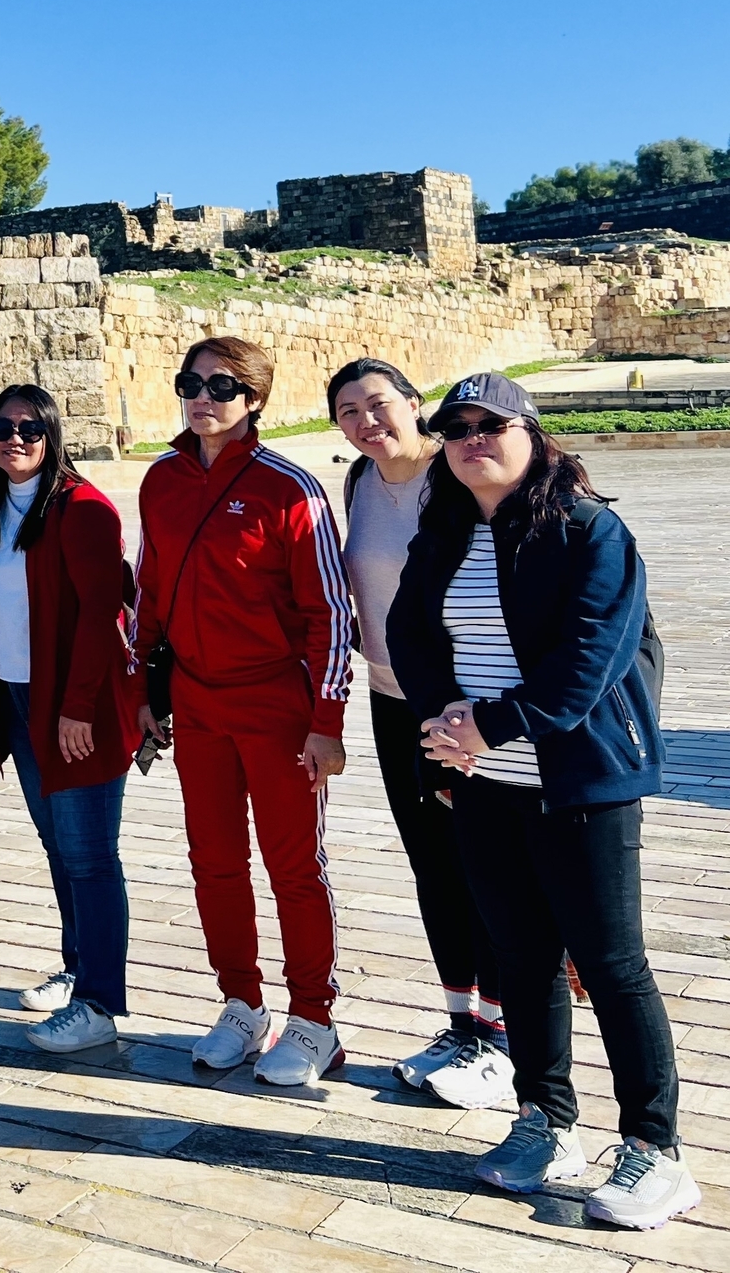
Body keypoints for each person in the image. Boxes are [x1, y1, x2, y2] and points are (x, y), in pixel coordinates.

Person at [389, 372, 697, 1230]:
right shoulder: (442, 535)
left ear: (531, 434)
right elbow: (410, 635)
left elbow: (587, 661)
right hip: (484, 783)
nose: (470, 440)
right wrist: (442, 721)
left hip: (580, 782)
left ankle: (655, 1150)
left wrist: (488, 723)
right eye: (454, 429)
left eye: (489, 425)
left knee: (610, 965)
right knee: (519, 958)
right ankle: (545, 1121)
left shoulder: (589, 531)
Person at [134, 335, 352, 1087]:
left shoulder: (289, 488)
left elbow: (330, 613)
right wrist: (146, 693)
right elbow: (149, 593)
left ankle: (314, 1019)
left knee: (294, 866)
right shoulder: (160, 480)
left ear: (254, 399)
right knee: (215, 862)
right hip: (196, 703)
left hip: (276, 705)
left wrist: (326, 723)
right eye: (190, 383)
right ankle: (241, 1003)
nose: (203, 398)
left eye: (222, 387)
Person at [328, 358, 511, 1109]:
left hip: (462, 705)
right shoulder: (359, 483)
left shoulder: (457, 475)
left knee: (485, 867)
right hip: (390, 697)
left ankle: (505, 1037)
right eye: (348, 411)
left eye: (379, 404)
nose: (367, 421)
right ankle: (462, 1024)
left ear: (414, 403)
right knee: (432, 866)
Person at [0, 386, 140, 1055]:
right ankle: (78, 970)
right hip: (19, 700)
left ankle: (99, 1002)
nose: (15, 438)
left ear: (52, 434)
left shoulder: (82, 509)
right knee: (58, 847)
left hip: (76, 706)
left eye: (30, 428)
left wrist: (76, 706)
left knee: (90, 855)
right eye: (2, 427)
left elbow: (100, 616)